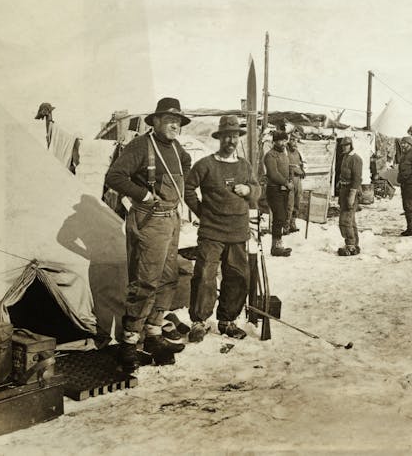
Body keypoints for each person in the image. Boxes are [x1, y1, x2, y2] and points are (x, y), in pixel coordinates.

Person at [105, 97, 191, 371]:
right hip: (150, 220)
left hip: (171, 219)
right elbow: (114, 176)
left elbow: (186, 168)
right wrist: (143, 193)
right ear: (155, 121)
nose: (174, 125)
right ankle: (129, 343)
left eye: (177, 121)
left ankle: (153, 335)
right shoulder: (141, 146)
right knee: (146, 281)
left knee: (168, 278)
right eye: (168, 120)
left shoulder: (177, 149)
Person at [183, 116, 260, 342]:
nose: (231, 140)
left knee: (237, 276)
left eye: (235, 136)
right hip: (212, 232)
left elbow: (257, 190)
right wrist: (203, 213)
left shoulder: (244, 166)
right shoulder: (206, 164)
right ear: (219, 138)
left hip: (238, 231)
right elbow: (188, 189)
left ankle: (227, 321)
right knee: (205, 275)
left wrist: (248, 189)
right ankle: (199, 322)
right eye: (226, 136)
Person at [263, 131, 293, 256]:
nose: (283, 143)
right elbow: (273, 174)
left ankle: (278, 245)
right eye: (281, 140)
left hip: (283, 190)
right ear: (274, 142)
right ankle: (275, 247)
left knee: (282, 217)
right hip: (274, 189)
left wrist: (290, 179)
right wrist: (286, 182)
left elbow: (287, 169)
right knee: (279, 217)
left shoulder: (284, 155)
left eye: (285, 140)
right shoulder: (270, 155)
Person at [337, 137, 363, 255]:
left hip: (351, 191)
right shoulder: (345, 157)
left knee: (346, 219)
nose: (344, 147)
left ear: (351, 145)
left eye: (347, 145)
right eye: (343, 145)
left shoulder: (356, 159)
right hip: (344, 190)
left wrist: (352, 194)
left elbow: (357, 179)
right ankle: (354, 243)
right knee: (350, 219)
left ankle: (351, 245)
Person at [285, 131, 306, 234]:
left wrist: (303, 171)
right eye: (292, 139)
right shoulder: (285, 151)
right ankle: (286, 226)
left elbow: (302, 164)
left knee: (297, 203)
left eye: (296, 140)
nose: (294, 142)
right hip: (290, 179)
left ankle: (293, 223)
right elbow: (284, 165)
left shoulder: (298, 152)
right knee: (289, 204)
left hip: (298, 180)